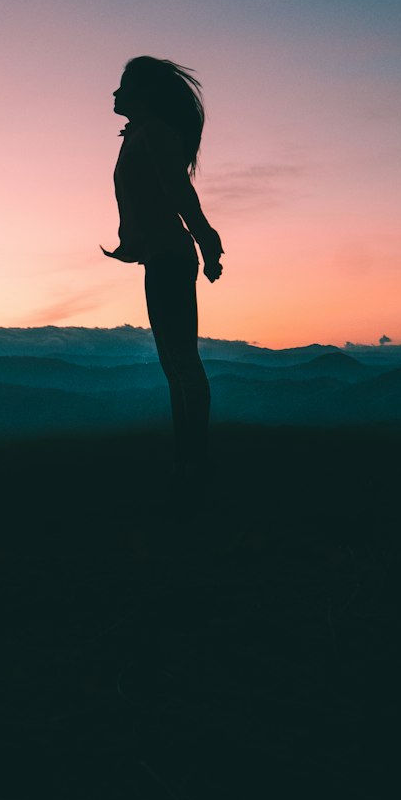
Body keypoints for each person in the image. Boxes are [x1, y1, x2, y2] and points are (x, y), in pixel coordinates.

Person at [101, 57, 224, 483]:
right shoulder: (140, 134)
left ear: (145, 94)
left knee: (182, 362)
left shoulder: (153, 133)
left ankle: (194, 464)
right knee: (174, 364)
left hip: (170, 256)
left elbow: (179, 192)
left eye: (123, 87)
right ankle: (187, 461)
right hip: (161, 255)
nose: (114, 94)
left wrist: (207, 240)